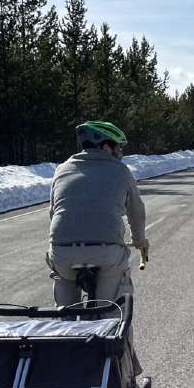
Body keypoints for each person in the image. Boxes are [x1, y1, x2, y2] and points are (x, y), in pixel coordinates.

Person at [47, 120, 148, 306]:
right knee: (112, 311)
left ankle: (63, 324)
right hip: (106, 252)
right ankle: (109, 324)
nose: (120, 153)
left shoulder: (61, 170)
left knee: (64, 305)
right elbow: (137, 212)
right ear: (106, 147)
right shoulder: (121, 171)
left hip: (63, 252)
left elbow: (54, 213)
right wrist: (140, 241)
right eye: (118, 147)